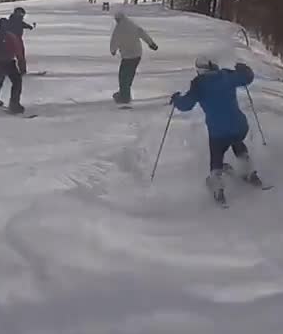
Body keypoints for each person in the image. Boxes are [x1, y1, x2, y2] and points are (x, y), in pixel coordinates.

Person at [170, 58, 263, 202]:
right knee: (236, 141)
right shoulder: (227, 75)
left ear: (200, 70)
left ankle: (217, 185)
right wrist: (243, 68)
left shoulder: (199, 84)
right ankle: (249, 171)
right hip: (240, 125)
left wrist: (176, 99)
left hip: (218, 131)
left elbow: (186, 105)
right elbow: (247, 77)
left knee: (217, 154)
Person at [0, 7, 35, 113]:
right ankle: (14, 104)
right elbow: (19, 52)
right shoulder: (11, 36)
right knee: (16, 82)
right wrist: (22, 67)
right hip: (7, 62)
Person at [109, 11, 157, 104]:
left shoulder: (118, 29)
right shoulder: (132, 24)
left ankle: (124, 97)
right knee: (129, 75)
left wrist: (113, 51)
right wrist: (151, 43)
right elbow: (142, 33)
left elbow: (114, 41)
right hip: (137, 54)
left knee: (123, 76)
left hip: (127, 56)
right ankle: (125, 93)